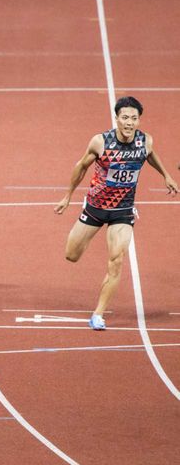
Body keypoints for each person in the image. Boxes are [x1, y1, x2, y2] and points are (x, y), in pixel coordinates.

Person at [55, 96, 178, 330]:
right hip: (95, 208)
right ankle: (97, 310)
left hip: (122, 211)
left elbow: (150, 154)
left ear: (139, 120)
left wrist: (166, 175)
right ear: (117, 118)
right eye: (125, 118)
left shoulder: (145, 141)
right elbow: (81, 167)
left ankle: (98, 314)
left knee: (117, 260)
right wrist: (68, 196)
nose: (129, 123)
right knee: (71, 255)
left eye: (134, 118)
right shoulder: (100, 142)